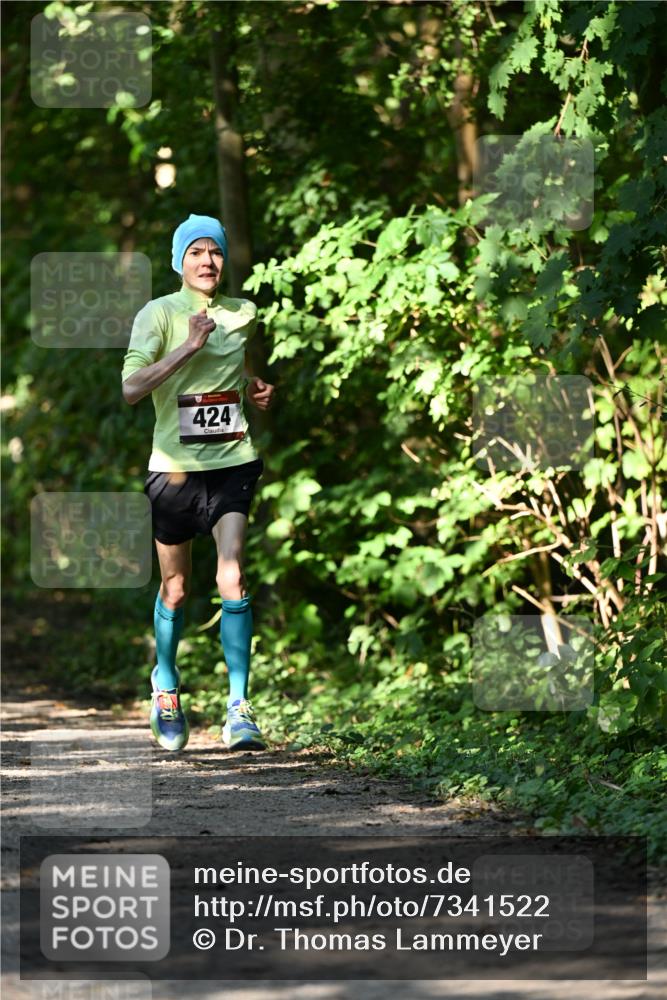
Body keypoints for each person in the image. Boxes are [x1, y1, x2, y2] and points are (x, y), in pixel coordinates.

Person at [121, 213, 274, 753]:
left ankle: (239, 708)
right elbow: (132, 388)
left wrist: (252, 387)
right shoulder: (158, 313)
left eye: (215, 251)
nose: (207, 261)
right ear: (179, 261)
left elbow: (233, 367)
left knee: (232, 575)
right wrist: (187, 346)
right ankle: (166, 685)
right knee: (177, 587)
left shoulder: (243, 312)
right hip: (174, 469)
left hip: (232, 463)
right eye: (196, 252)